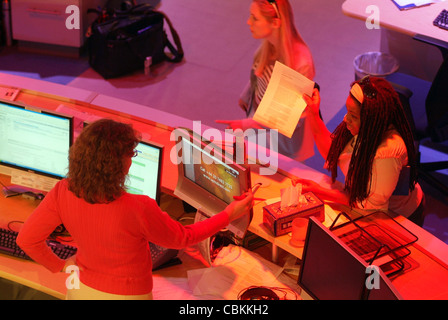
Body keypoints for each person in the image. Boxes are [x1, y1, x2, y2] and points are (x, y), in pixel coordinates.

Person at [16, 119, 254, 300]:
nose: (132, 160)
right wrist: (230, 213)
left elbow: (26, 240)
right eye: (131, 154)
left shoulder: (62, 190)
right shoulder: (138, 207)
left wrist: (60, 265)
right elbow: (184, 237)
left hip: (79, 290)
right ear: (118, 165)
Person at [293, 76, 425, 226]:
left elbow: (369, 205)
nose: (345, 119)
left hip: (398, 216)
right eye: (348, 111)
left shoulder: (387, 153)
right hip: (364, 202)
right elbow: (333, 152)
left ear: (371, 120)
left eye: (353, 115)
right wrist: (313, 113)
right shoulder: (363, 126)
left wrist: (320, 191)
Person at [216, 0, 316, 161]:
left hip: (280, 144)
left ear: (275, 22)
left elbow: (283, 118)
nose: (248, 22)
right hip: (259, 128)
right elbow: (259, 72)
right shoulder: (269, 45)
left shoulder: (301, 63)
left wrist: (244, 125)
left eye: (255, 18)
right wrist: (247, 94)